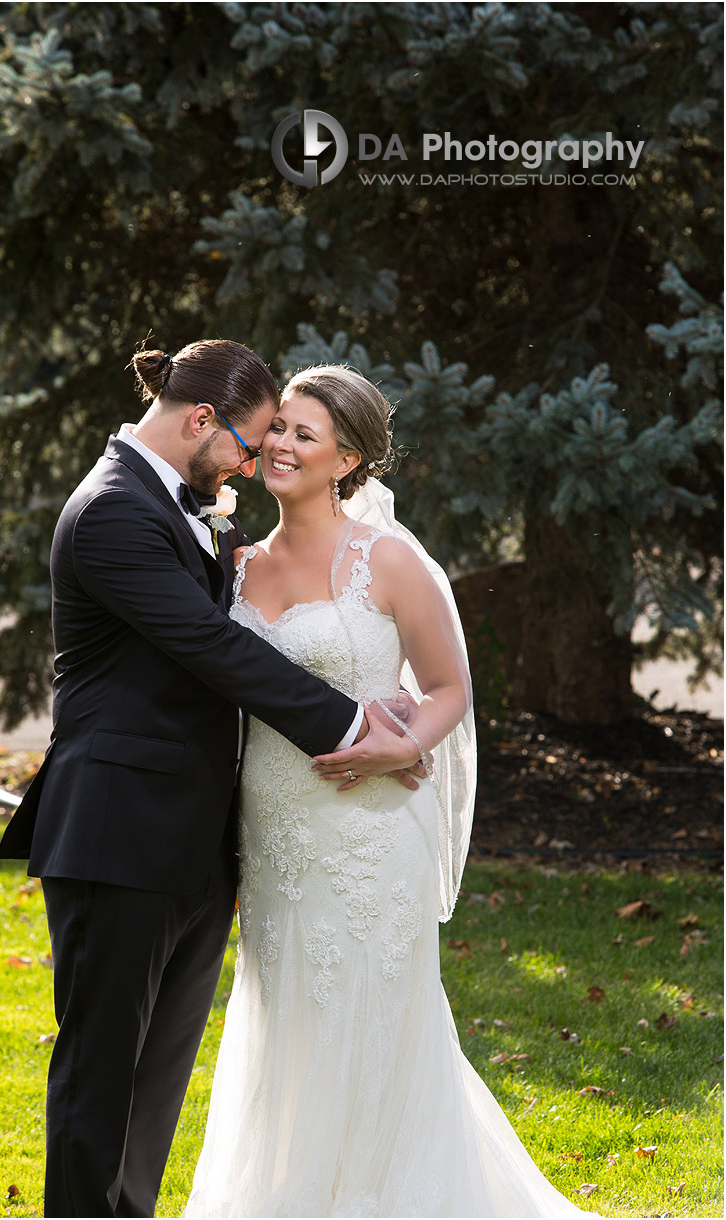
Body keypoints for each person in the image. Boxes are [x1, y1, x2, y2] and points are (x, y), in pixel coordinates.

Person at [0, 340, 420, 1219]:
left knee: (155, 1088)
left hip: (195, 841)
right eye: (246, 442)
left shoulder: (185, 505)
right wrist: (351, 726)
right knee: (101, 1075)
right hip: (117, 830)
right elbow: (209, 645)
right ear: (199, 419)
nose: (250, 463)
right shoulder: (113, 509)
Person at [184, 365, 587, 1217]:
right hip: (275, 830)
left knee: (371, 1021)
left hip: (368, 828)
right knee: (288, 1019)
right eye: (279, 427)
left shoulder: (387, 560)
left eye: (305, 434)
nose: (281, 444)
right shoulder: (238, 564)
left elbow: (447, 688)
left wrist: (392, 746)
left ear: (349, 460)